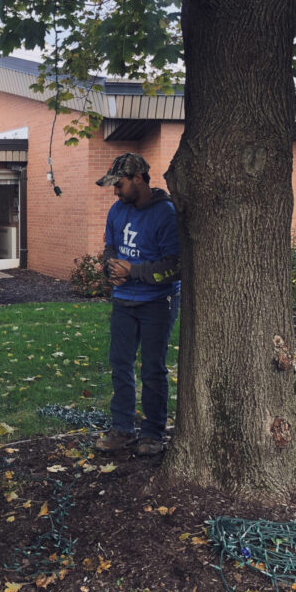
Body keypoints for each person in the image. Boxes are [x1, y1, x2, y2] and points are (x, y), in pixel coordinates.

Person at [94, 153, 180, 455]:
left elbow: (175, 265)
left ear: (139, 179)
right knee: (120, 364)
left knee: (153, 369)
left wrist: (134, 271)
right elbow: (110, 249)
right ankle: (123, 429)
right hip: (123, 301)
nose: (115, 191)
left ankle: (153, 433)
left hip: (157, 301)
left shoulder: (166, 214)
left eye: (119, 184)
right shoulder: (118, 211)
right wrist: (110, 269)